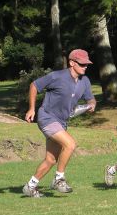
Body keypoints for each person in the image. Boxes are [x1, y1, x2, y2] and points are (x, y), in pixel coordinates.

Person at [22, 49, 96, 197]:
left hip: (62, 122)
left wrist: (91, 104)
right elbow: (34, 85)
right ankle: (58, 179)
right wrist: (31, 109)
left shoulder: (85, 81)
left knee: (50, 160)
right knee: (70, 144)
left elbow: (90, 98)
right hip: (47, 117)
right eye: (82, 64)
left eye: (87, 64)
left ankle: (30, 186)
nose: (85, 67)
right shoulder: (57, 76)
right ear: (72, 63)